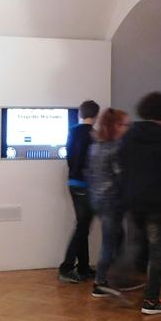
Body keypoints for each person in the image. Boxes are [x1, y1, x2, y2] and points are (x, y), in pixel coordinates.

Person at [116, 92, 161, 315]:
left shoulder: (129, 134)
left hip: (133, 201)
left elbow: (120, 162)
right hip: (157, 203)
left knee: (136, 243)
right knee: (157, 252)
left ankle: (117, 277)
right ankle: (152, 301)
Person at [86, 108, 131, 298]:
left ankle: (111, 277)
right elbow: (122, 176)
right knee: (110, 242)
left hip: (98, 199)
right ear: (116, 126)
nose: (128, 128)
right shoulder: (116, 148)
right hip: (111, 201)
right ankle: (100, 282)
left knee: (116, 238)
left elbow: (90, 174)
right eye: (125, 124)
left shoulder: (95, 147)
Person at [58, 100, 100, 283]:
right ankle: (66, 268)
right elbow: (91, 162)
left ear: (80, 114)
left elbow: (70, 158)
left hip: (73, 182)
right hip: (85, 185)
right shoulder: (93, 135)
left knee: (83, 225)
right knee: (83, 226)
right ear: (96, 116)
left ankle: (83, 267)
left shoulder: (72, 131)